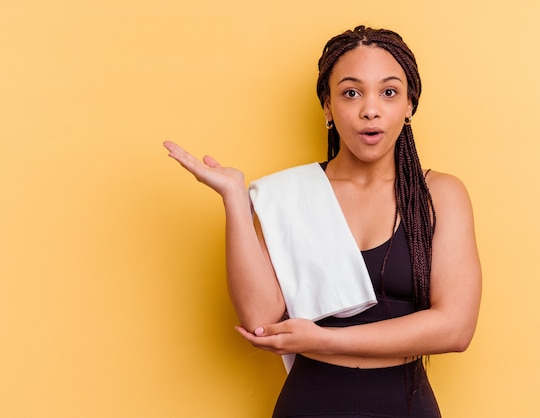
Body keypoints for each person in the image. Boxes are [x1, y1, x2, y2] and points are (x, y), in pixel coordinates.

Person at [163, 25, 481, 418]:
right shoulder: (285, 195)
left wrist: (324, 339)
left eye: (389, 91)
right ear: (328, 107)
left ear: (410, 105)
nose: (370, 108)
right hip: (310, 403)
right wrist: (234, 200)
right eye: (351, 92)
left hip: (406, 406)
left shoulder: (441, 195)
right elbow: (261, 322)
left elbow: (455, 328)